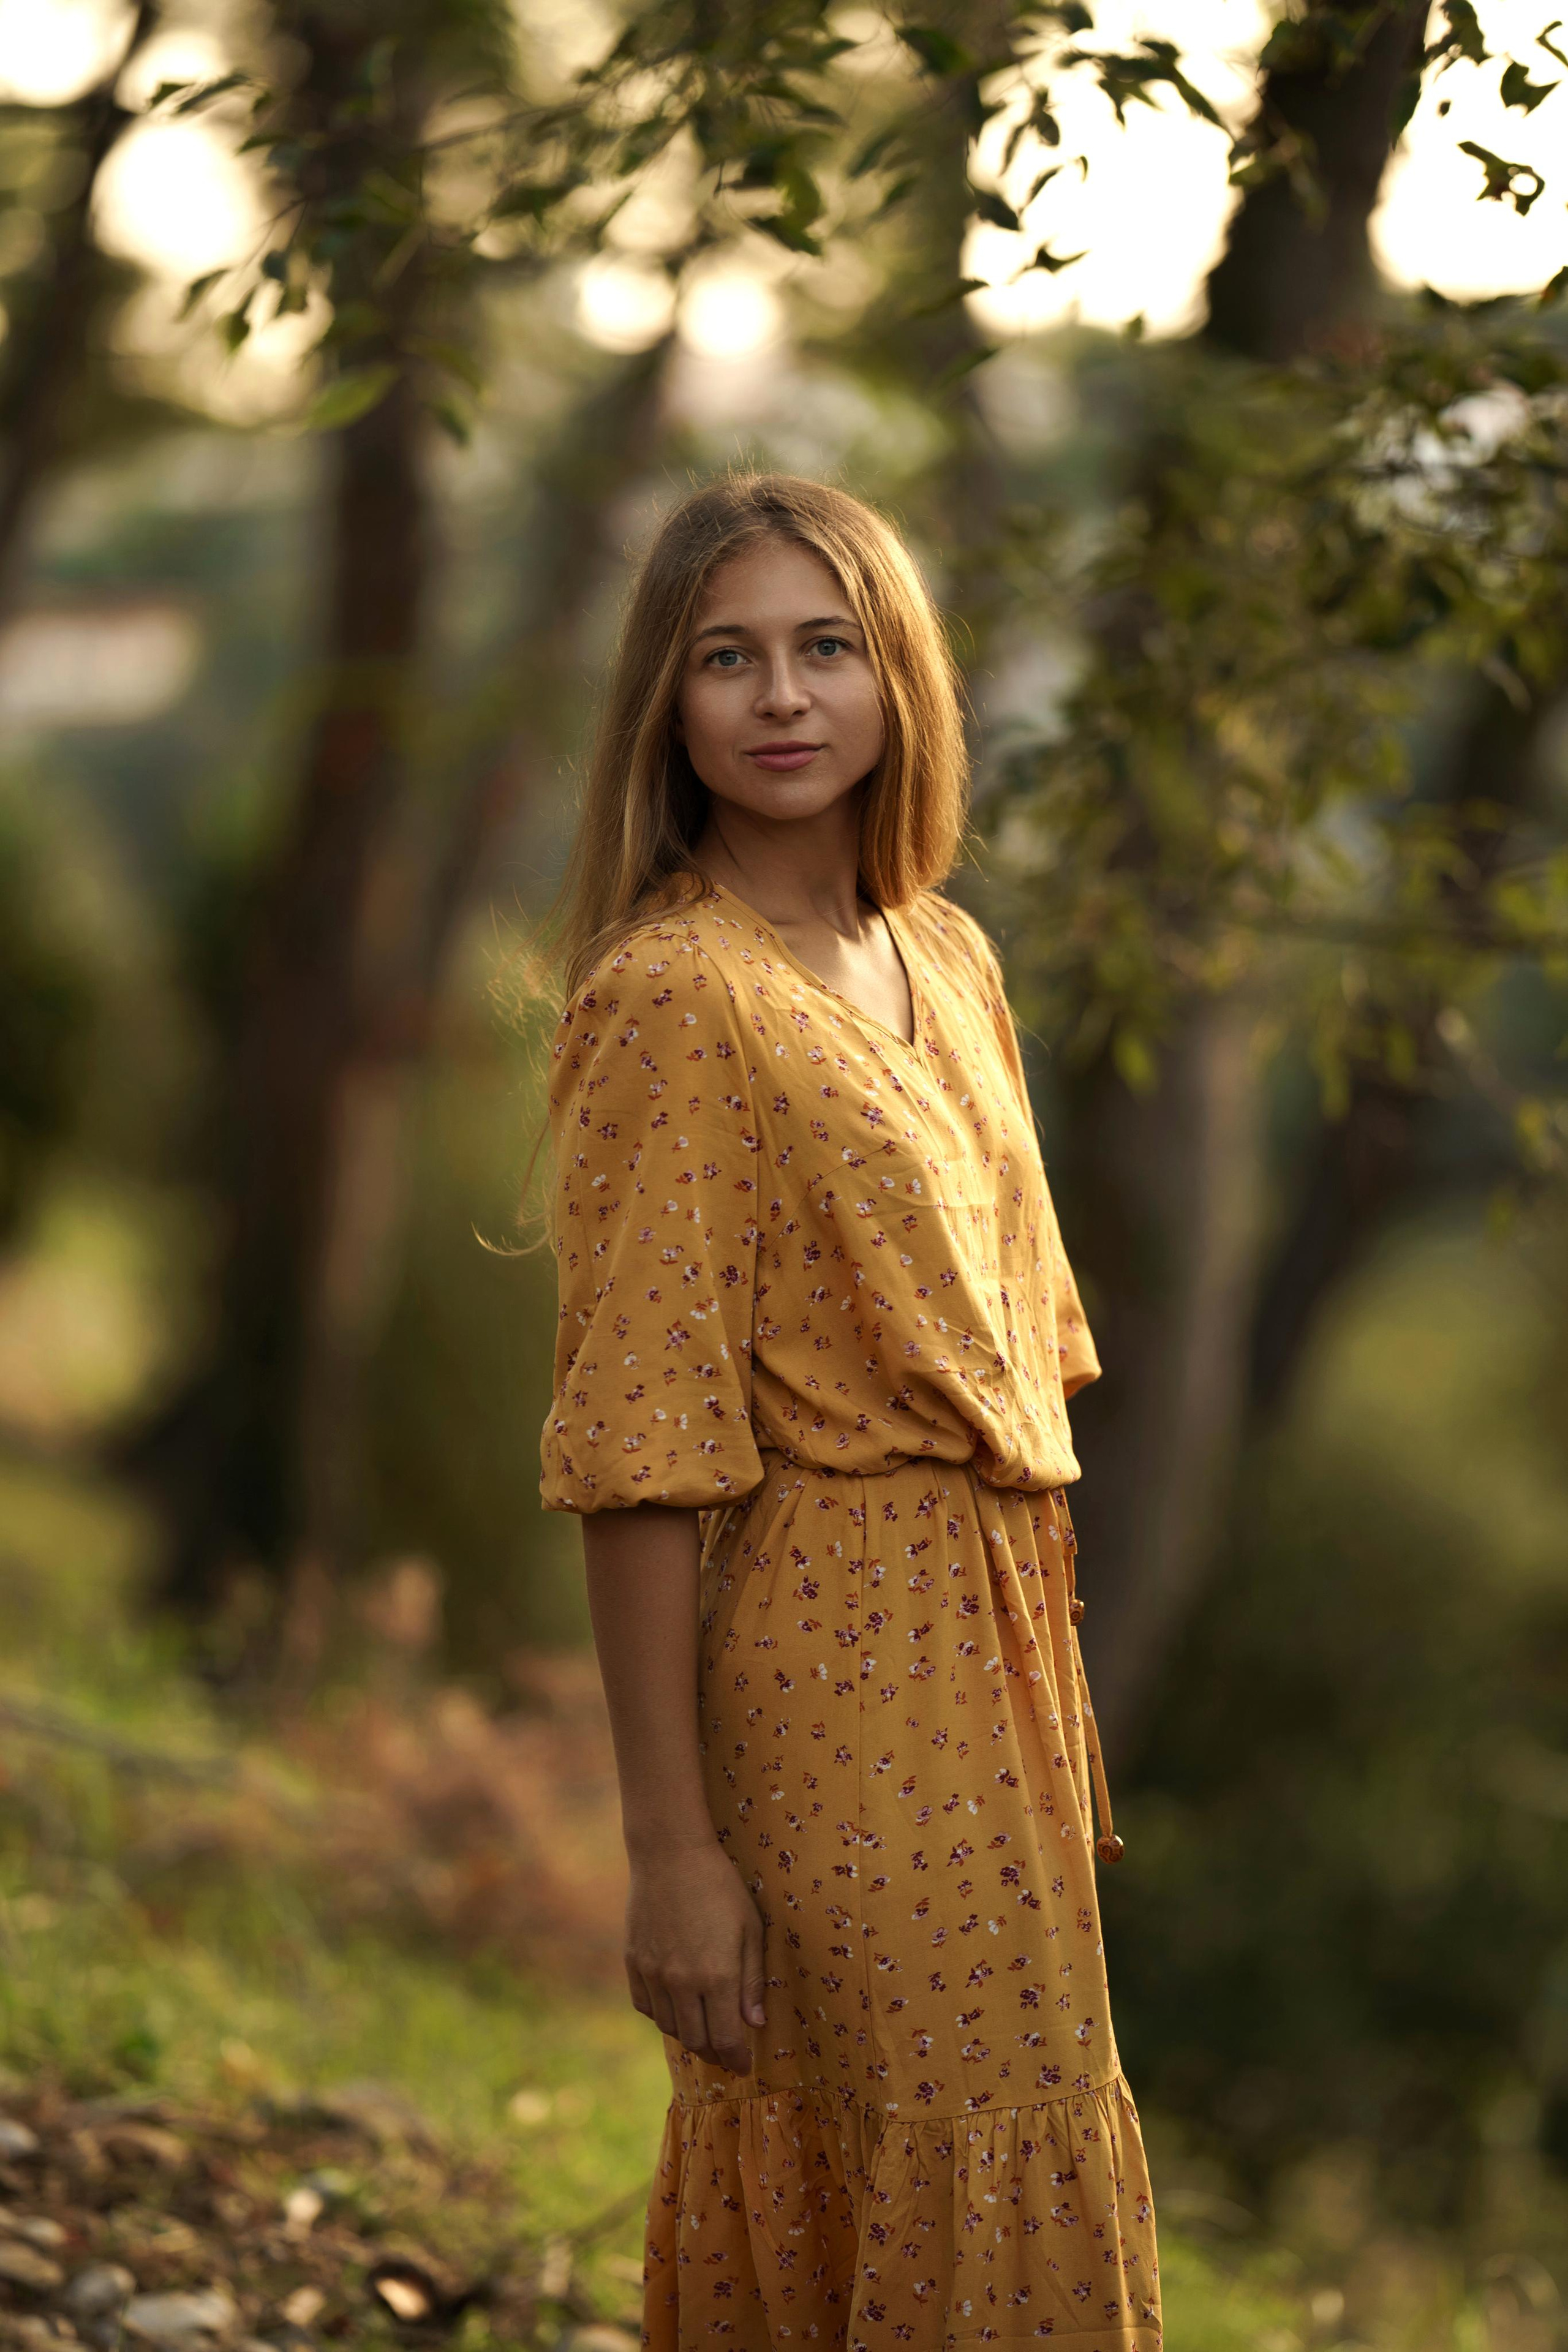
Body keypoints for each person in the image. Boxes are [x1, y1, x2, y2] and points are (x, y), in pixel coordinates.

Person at [537, 473, 1161, 2350]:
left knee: (1003, 2145)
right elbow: (640, 1459)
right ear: (669, 700)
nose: (782, 697)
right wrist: (672, 1851)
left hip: (999, 1671)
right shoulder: (676, 997)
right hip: (829, 1665)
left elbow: (1024, 1366)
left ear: (902, 682)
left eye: (829, 648)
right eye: (728, 657)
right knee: (903, 2155)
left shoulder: (946, 959)